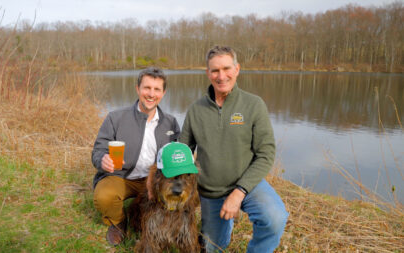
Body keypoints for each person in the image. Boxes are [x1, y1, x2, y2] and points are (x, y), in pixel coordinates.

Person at [179, 46, 288, 253]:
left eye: (227, 68)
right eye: (215, 70)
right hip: (211, 191)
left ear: (237, 69)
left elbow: (265, 154)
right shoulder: (195, 110)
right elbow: (184, 151)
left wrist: (239, 193)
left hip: (248, 185)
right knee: (212, 248)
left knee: (275, 218)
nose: (221, 76)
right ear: (207, 73)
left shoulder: (254, 105)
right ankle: (224, 225)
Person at [91, 67, 180, 246]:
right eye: (147, 88)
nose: (151, 94)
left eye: (157, 89)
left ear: (163, 93)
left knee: (171, 205)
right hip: (121, 177)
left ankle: (150, 220)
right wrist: (103, 160)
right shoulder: (115, 118)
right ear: (137, 89)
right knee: (104, 197)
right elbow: (98, 150)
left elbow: (177, 154)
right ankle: (118, 222)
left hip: (154, 181)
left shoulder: (171, 122)